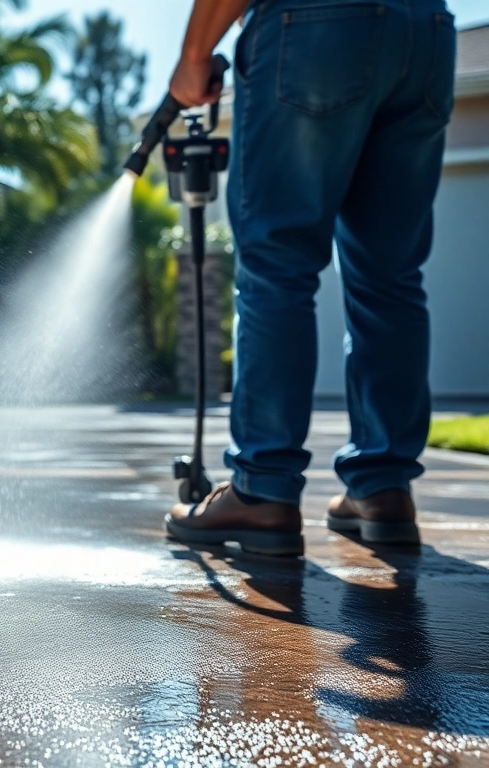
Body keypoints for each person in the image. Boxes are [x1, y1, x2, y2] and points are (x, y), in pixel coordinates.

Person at [164, 0, 457, 556]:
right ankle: (383, 486)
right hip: (428, 31)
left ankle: (262, 489)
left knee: (277, 265)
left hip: (317, 24)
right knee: (391, 276)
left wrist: (195, 53)